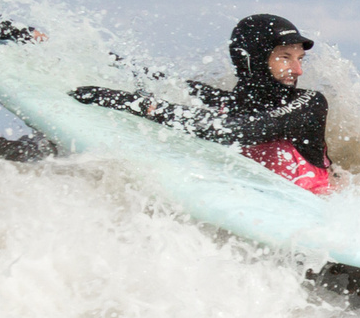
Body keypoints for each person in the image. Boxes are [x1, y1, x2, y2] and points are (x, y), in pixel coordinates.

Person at [71, 13, 333, 194]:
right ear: (251, 59)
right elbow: (151, 78)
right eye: (285, 57)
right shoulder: (226, 103)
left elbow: (236, 131)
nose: (298, 70)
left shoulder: (308, 104)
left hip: (319, 219)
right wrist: (63, 47)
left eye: (300, 58)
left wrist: (138, 105)